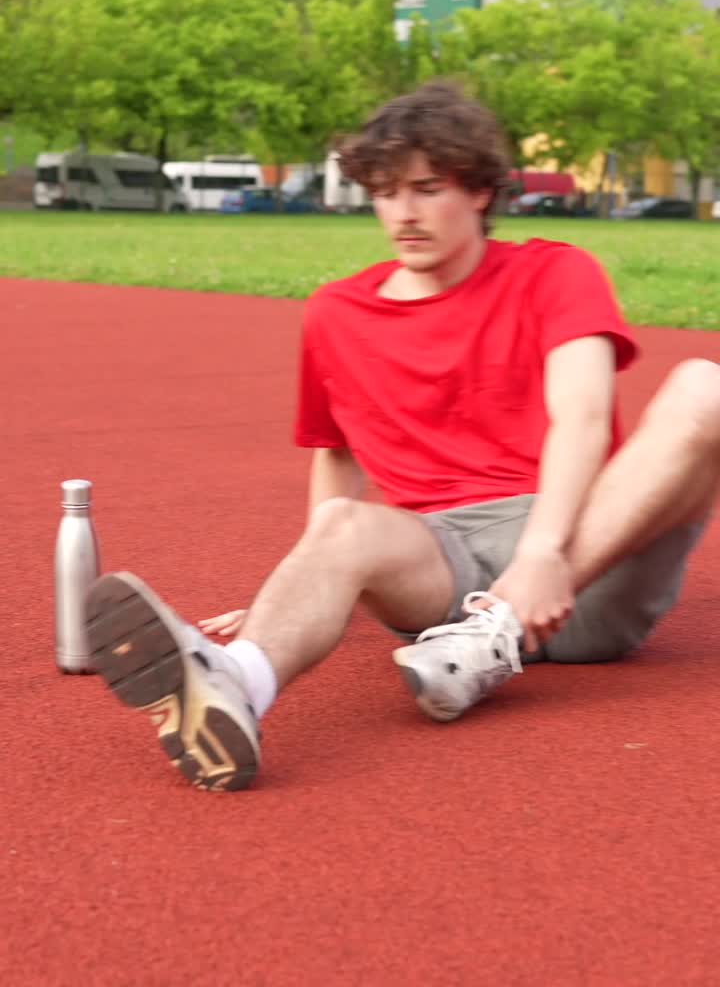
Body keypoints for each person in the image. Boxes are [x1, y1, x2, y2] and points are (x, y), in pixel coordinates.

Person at [85, 81, 720, 791]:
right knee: (340, 528)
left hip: (585, 559)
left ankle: (499, 631)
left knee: (706, 388)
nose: (404, 214)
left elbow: (583, 416)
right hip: (440, 572)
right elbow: (336, 459)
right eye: (386, 193)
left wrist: (543, 557)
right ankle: (237, 683)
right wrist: (298, 589)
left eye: (426, 188)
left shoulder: (556, 271)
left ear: (480, 191)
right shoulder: (336, 314)